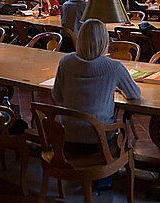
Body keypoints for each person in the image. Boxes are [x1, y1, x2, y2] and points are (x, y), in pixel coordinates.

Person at [51, 20, 142, 190]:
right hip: (98, 140)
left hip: (67, 137)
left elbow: (57, 96)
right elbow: (135, 94)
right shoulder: (113, 67)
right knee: (115, 128)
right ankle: (103, 178)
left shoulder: (65, 62)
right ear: (104, 41)